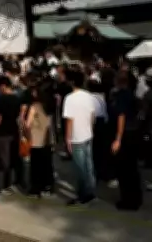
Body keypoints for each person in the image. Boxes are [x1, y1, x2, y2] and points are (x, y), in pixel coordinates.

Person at [62, 69, 97, 206]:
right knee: (89, 164)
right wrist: (91, 129)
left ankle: (83, 194)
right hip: (88, 134)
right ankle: (91, 190)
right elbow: (92, 115)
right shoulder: (88, 96)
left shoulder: (69, 98)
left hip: (77, 136)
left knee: (79, 167)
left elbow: (69, 120)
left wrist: (67, 138)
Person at [111, 70, 143, 210]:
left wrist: (118, 138)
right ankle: (136, 198)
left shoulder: (121, 96)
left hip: (125, 134)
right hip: (134, 132)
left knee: (124, 170)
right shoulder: (132, 94)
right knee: (133, 168)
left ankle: (128, 200)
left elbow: (121, 116)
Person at [0, 76, 24, 193]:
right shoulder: (17, 98)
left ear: (2, 86)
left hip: (4, 132)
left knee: (4, 159)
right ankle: (17, 181)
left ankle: (5, 184)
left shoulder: (1, 99)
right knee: (14, 156)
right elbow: (20, 116)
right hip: (14, 130)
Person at [25, 81, 55, 197]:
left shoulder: (34, 106)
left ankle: (36, 187)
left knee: (35, 165)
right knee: (47, 163)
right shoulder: (49, 105)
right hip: (47, 139)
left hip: (36, 139)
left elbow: (28, 124)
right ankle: (48, 185)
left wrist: (26, 134)